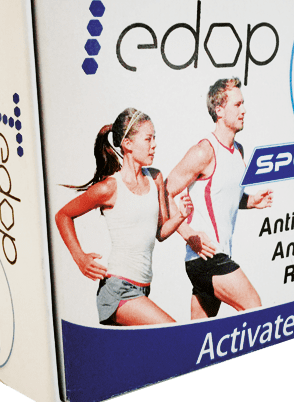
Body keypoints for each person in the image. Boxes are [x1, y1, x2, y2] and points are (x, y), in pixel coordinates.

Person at [55, 108, 192, 325]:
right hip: (118, 291)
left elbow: (160, 233)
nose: (154, 144)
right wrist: (80, 258)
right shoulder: (110, 188)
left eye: (154, 138)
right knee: (174, 333)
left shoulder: (155, 178)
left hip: (143, 290)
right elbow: (63, 215)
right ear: (127, 144)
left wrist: (181, 216)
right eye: (148, 139)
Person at [169, 78, 273, 319]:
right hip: (207, 257)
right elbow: (164, 191)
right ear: (219, 111)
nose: (244, 110)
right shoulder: (204, 151)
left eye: (243, 103)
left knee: (199, 335)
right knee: (254, 308)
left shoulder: (239, 151)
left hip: (215, 257)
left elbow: (221, 195)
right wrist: (188, 235)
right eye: (237, 105)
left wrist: (250, 201)